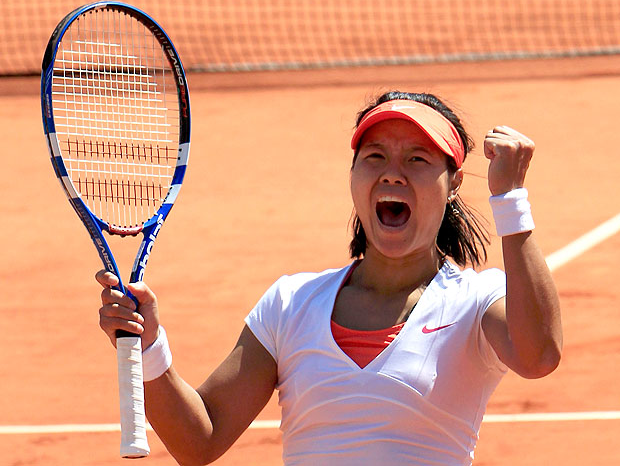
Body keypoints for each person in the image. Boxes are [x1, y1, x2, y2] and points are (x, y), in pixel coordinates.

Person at [97, 91, 562, 465]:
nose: (393, 174)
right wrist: (149, 346)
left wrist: (511, 201)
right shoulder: (291, 303)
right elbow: (200, 441)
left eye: (418, 159)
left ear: (454, 182)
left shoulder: (478, 301)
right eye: (375, 156)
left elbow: (538, 355)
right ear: (354, 174)